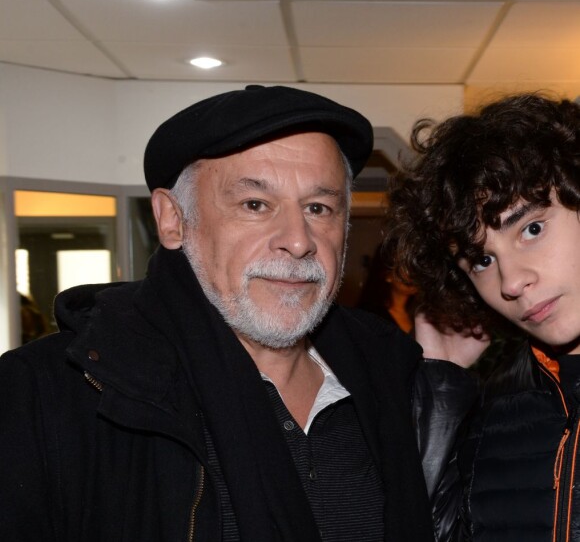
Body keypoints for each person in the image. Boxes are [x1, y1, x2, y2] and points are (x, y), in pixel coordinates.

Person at [0, 85, 449, 542]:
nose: (298, 240)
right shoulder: (45, 397)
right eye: (255, 205)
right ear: (172, 220)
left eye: (319, 208)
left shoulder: (396, 381)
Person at [382, 93, 580, 541]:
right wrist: (440, 380)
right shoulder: (494, 419)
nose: (511, 282)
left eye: (531, 229)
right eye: (482, 261)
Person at [357, 245, 418, 334]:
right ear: (387, 275)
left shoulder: (421, 315)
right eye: (404, 265)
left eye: (415, 265)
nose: (413, 273)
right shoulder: (371, 316)